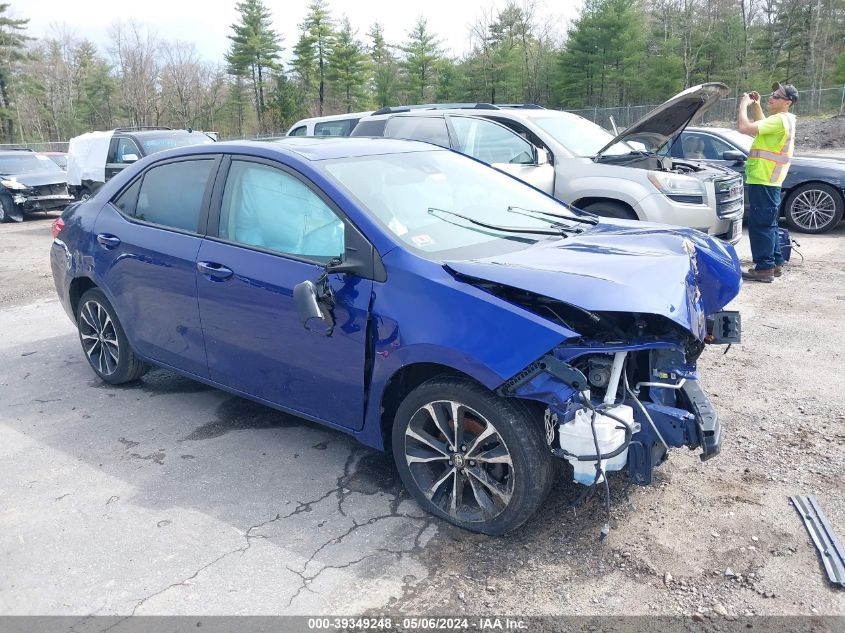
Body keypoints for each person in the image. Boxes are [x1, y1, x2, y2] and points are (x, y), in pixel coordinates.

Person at [736, 82, 798, 283]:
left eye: (777, 96)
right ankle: (775, 263)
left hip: (764, 178)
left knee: (760, 225)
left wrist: (743, 105)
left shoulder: (780, 120)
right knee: (768, 224)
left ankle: (764, 268)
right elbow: (761, 127)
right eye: (772, 94)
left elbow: (745, 128)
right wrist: (756, 106)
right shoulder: (783, 120)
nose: (772, 97)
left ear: (788, 102)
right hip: (769, 179)